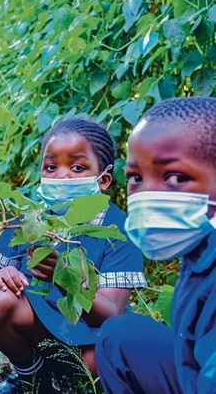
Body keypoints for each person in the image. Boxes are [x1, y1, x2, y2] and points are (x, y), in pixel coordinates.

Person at [0, 118, 147, 394]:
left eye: (77, 167)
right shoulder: (32, 218)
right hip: (36, 325)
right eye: (51, 167)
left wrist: (65, 276)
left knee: (101, 365)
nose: (62, 176)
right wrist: (2, 276)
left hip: (88, 337)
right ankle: (32, 377)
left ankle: (69, 379)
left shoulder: (118, 231)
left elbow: (110, 315)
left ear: (103, 180)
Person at [95, 97, 216, 394]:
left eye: (175, 177)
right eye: (136, 177)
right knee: (119, 336)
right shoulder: (201, 246)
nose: (147, 194)